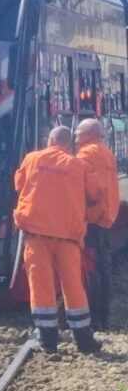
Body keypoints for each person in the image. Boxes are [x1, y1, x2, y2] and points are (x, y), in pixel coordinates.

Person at [13, 125, 101, 354]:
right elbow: (95, 192)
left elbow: (18, 185)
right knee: (73, 285)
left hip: (36, 234)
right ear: (68, 144)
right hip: (67, 237)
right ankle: (83, 338)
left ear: (49, 141)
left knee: (41, 286)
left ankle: (48, 340)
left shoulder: (32, 159)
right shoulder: (80, 166)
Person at [76, 118, 120, 331]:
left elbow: (93, 189)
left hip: (92, 219)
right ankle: (105, 317)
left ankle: (94, 318)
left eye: (78, 132)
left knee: (91, 270)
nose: (75, 137)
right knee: (104, 269)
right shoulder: (105, 152)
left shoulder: (86, 154)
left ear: (88, 134)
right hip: (106, 218)